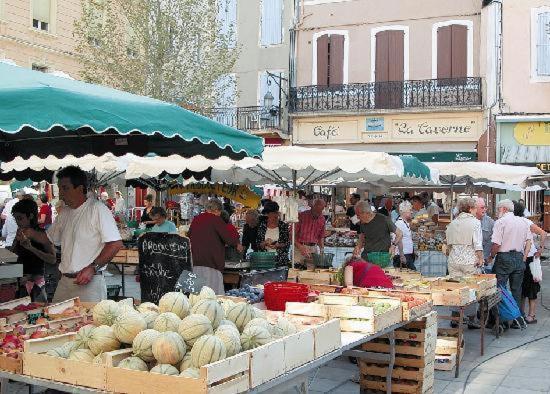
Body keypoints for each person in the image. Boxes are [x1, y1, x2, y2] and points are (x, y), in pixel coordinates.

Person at [21, 166, 123, 302]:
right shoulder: (64, 213)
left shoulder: (97, 209)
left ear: (80, 188)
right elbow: (48, 238)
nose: (61, 194)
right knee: (55, 320)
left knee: (88, 323)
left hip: (90, 283)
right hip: (65, 282)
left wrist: (93, 267)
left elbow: (115, 244)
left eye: (65, 188)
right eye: (60, 188)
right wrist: (30, 232)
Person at [489, 199, 532, 324]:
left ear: (504, 209)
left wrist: (491, 256)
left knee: (498, 288)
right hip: (518, 256)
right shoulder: (523, 222)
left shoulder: (501, 222)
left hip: (504, 257)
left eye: (498, 209)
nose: (497, 212)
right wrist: (523, 258)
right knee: (516, 290)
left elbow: (496, 244)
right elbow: (528, 241)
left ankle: (499, 320)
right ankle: (515, 319)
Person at [188, 199, 239, 294]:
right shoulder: (216, 220)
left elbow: (189, 235)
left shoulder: (196, 219)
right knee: (212, 297)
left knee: (194, 295)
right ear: (216, 210)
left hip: (194, 262)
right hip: (212, 263)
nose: (220, 214)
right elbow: (230, 240)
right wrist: (237, 239)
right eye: (220, 212)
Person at [11, 199, 55, 302]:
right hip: (20, 281)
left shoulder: (42, 234)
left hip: (36, 284)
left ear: (30, 216)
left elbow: (52, 259)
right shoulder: (20, 231)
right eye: (16, 219)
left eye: (20, 218)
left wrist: (31, 248)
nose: (17, 222)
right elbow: (13, 254)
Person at [514, 201, 547, 324]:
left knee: (531, 287)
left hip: (530, 257)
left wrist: (540, 249)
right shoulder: (515, 222)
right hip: (521, 256)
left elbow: (543, 233)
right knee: (521, 286)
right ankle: (521, 313)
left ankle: (531, 315)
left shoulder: (526, 222)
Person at [353, 201, 405, 268]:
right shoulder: (362, 223)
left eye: (358, 215)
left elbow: (400, 233)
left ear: (365, 213)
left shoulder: (383, 219)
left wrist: (393, 245)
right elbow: (362, 237)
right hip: (367, 258)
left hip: (382, 259)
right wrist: (358, 246)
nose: (357, 218)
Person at [446, 198, 483, 277]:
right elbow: (477, 244)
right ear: (470, 209)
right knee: (471, 287)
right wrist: (480, 259)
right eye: (475, 208)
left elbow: (448, 244)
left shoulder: (453, 223)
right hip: (469, 261)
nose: (476, 210)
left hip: (453, 261)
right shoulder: (476, 222)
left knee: (456, 287)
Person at [294, 199, 326, 265]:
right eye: (317, 210)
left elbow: (321, 236)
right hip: (299, 247)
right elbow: (291, 235)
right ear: (312, 206)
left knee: (312, 272)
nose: (318, 213)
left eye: (320, 211)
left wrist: (322, 250)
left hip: (314, 249)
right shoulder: (301, 216)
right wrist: (300, 247)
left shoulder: (322, 219)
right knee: (296, 271)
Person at [256, 201, 290, 266]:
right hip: (264, 260)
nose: (274, 216)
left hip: (280, 260)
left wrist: (278, 245)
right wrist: (265, 242)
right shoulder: (262, 225)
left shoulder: (283, 226)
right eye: (271, 214)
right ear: (267, 214)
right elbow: (258, 244)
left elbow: (287, 243)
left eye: (275, 213)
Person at [393, 201, 415, 270]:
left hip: (407, 255)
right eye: (410, 210)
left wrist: (413, 252)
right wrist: (402, 255)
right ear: (404, 212)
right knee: (412, 276)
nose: (412, 212)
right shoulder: (400, 223)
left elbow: (407, 239)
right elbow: (399, 239)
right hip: (402, 256)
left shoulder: (404, 223)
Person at [475, 197, 494, 265]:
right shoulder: (468, 221)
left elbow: (492, 242)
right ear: (475, 209)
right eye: (482, 208)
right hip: (470, 259)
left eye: (485, 207)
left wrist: (488, 258)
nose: (484, 210)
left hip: (485, 260)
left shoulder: (490, 222)